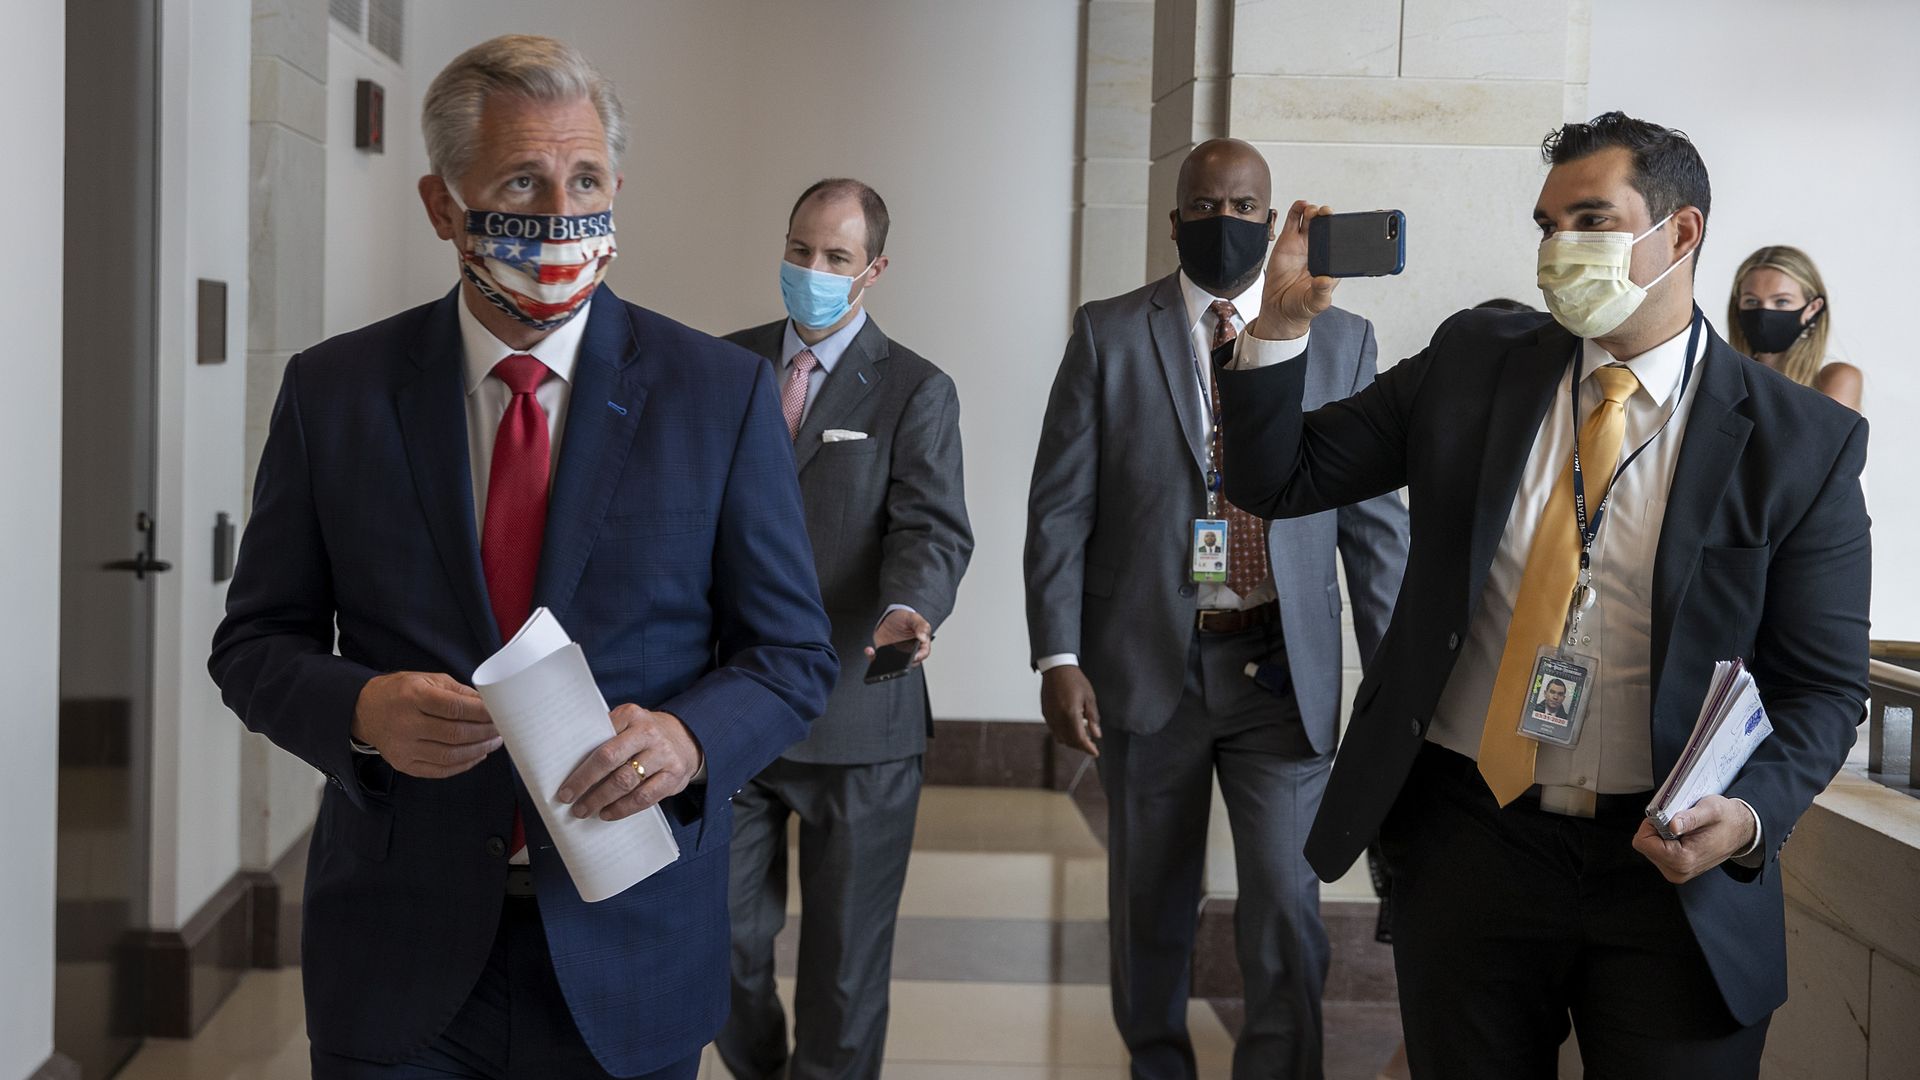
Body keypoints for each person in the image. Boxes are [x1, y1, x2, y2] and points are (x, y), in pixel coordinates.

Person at [208, 35, 837, 1080]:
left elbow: (793, 654)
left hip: (630, 947)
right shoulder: (335, 395)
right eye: (520, 183)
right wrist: (362, 712)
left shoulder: (717, 395)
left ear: (617, 188)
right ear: (443, 204)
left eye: (585, 180)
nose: (560, 213)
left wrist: (689, 740)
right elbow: (255, 644)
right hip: (394, 951)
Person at [1218, 112, 1870, 1078]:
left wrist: (1747, 817)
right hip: (1472, 843)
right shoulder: (1475, 362)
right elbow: (1277, 479)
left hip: (1670, 870)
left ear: (1681, 233)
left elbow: (1823, 690)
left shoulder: (1801, 441)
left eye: (1592, 221)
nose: (1560, 249)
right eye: (1548, 225)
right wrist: (1279, 329)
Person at [1025, 138, 1409, 1080]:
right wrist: (1058, 655)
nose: (1224, 221)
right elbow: (1061, 507)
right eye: (1205, 204)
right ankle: (1157, 1065)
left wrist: (1399, 685)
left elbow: (1374, 531)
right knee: (1148, 905)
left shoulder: (1344, 340)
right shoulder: (1110, 332)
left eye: (1244, 207)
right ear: (1174, 220)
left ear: (1273, 222)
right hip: (1147, 666)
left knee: (1285, 904)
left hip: (1281, 670)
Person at [717, 178, 974, 1080]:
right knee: (722, 945)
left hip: (859, 713)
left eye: (835, 257)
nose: (812, 270)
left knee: (845, 971)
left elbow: (931, 529)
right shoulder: (724, 368)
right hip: (731, 708)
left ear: (874, 270)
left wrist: (913, 605)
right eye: (800, 251)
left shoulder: (915, 389)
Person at [1727, 245, 1860, 411]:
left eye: (1782, 301)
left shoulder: (1835, 378)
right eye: (1752, 301)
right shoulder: (1724, 378)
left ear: (1812, 309)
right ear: (1738, 306)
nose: (1764, 312)